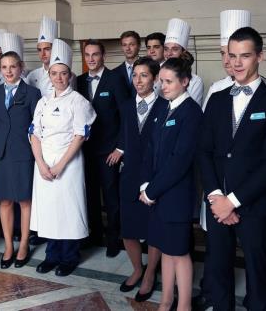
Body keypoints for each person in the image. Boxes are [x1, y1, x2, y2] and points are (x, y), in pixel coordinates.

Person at [197, 27, 266, 310]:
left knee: (257, 269)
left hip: (252, 203)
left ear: (260, 56)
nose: (237, 63)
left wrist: (232, 202)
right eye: (232, 55)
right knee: (217, 268)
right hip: (217, 202)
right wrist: (215, 196)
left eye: (245, 56)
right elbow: (204, 151)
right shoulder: (217, 99)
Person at [140, 56, 203, 311]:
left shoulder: (191, 113)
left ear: (185, 81)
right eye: (161, 81)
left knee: (179, 251)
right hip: (157, 192)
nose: (162, 86)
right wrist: (146, 184)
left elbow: (180, 161)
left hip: (176, 194)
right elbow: (150, 149)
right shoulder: (164, 108)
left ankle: (184, 305)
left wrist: (152, 190)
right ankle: (166, 301)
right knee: (165, 249)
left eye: (168, 82)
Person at [30, 39, 96, 277]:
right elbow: (33, 134)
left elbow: (80, 136)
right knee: (49, 210)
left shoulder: (78, 102)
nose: (58, 77)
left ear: (70, 75)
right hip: (43, 162)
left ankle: (69, 256)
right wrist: (41, 163)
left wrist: (59, 165)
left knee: (67, 209)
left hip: (68, 163)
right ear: (49, 75)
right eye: (54, 73)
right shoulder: (42, 102)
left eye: (63, 73)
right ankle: (52, 255)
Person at [0, 34, 41, 269]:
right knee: (5, 201)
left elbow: (37, 128)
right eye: (4, 67)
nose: (8, 71)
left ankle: (23, 245)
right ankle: (9, 244)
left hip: (23, 153)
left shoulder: (32, 94)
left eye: (13, 67)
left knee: (24, 201)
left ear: (21, 68)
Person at [118, 56, 167, 302]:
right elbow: (124, 137)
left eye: (144, 75)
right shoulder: (126, 106)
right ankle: (137, 268)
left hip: (154, 177)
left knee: (154, 228)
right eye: (135, 75)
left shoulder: (165, 106)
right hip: (129, 175)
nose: (138, 80)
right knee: (128, 229)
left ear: (155, 78)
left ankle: (150, 273)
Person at [76, 39, 130, 257]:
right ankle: (94, 234)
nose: (91, 59)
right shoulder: (78, 81)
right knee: (89, 195)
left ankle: (113, 238)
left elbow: (127, 117)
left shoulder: (116, 79)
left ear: (103, 55)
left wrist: (120, 148)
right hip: (85, 150)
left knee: (111, 196)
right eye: (87, 55)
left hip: (109, 151)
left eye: (95, 54)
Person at [163, 18, 204, 106]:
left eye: (174, 49)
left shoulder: (195, 81)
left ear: (183, 52)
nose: (169, 53)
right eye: (166, 49)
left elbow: (191, 109)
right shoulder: (158, 75)